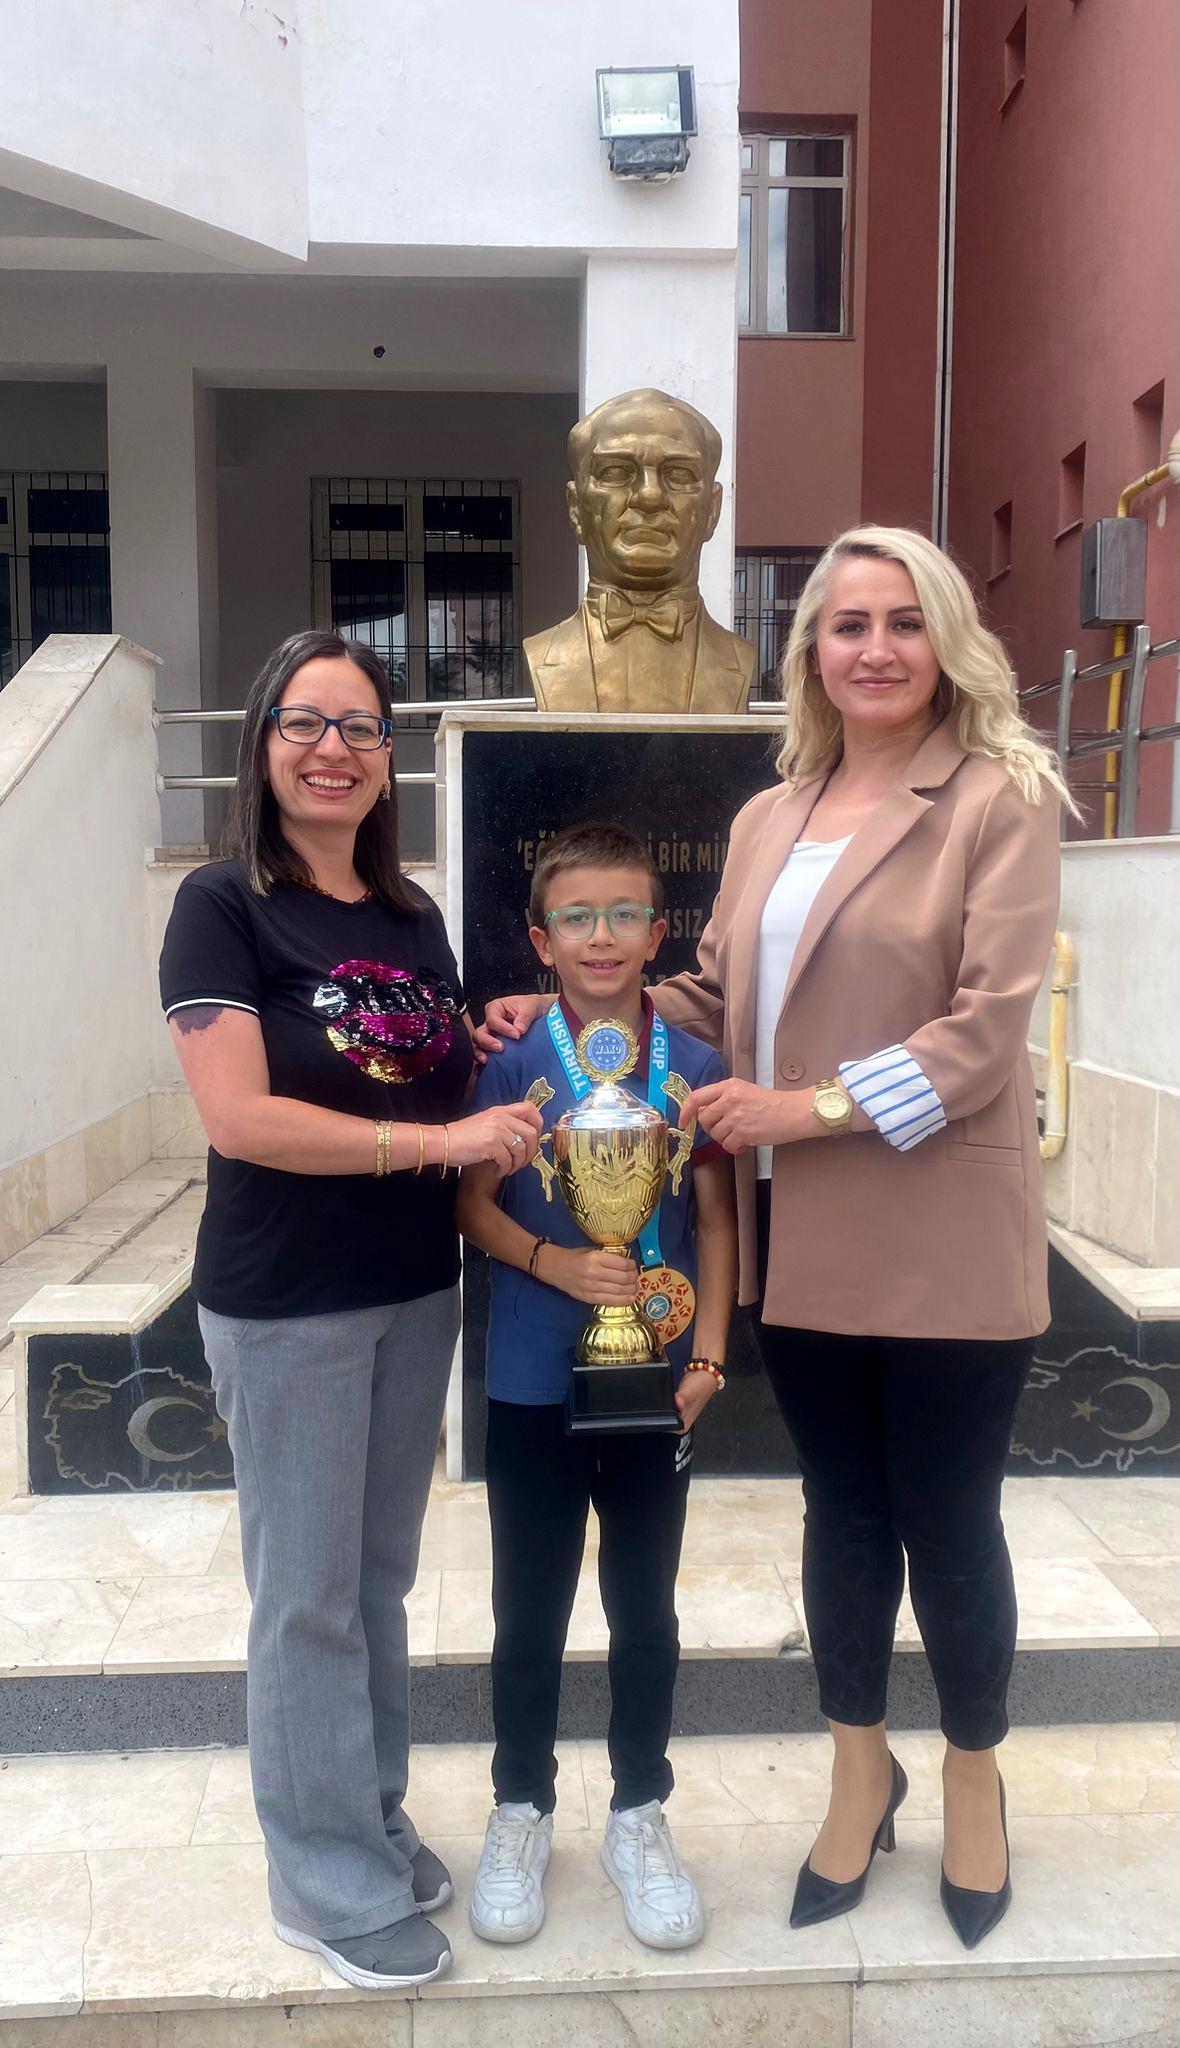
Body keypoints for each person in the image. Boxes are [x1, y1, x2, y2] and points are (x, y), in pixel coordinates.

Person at [480, 527, 1073, 1950]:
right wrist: (569, 1011)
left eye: (903, 621)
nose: (874, 648)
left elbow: (984, 1031)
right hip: (806, 1246)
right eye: (845, 623)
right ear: (812, 649)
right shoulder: (770, 815)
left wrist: (799, 1108)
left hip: (941, 1234)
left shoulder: (999, 797)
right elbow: (709, 999)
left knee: (950, 1523)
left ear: (946, 641)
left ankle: (975, 1781)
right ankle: (860, 1773)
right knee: (844, 1520)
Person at [159, 630, 542, 1991]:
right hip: (289, 1303)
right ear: (262, 742)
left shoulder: (408, 916)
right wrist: (440, 1145)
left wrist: (483, 1045)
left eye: (362, 727)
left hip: (410, 1289)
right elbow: (242, 1117)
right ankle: (321, 1880)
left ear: (389, 762)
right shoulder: (221, 902)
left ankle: (368, 1815)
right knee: (307, 1598)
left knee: (374, 1584)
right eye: (305, 722)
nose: (334, 748)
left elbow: (412, 1069)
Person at [455, 823, 738, 1950]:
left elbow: (719, 1219)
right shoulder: (513, 1061)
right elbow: (471, 1203)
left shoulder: (694, 1068)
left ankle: (639, 1812)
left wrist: (708, 1355)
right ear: (541, 940)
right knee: (526, 1607)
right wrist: (554, 1262)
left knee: (644, 1606)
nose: (602, 936)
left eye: (625, 914)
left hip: (653, 1380)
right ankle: (520, 1805)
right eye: (577, 917)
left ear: (657, 932)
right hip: (534, 1375)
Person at [524, 387, 756, 714]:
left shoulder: (739, 657)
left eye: (679, 474)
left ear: (712, 510)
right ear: (576, 508)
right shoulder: (545, 654)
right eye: (616, 472)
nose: (649, 496)